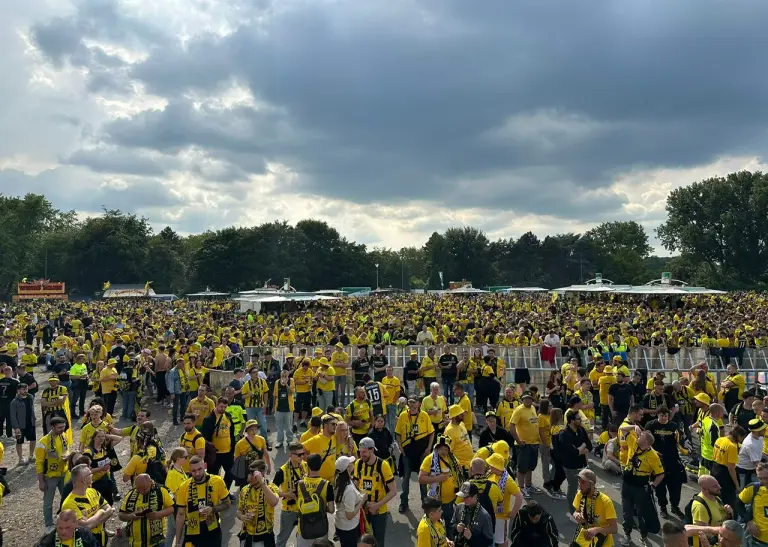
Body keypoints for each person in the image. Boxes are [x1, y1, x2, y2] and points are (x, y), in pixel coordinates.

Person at [174, 455, 231, 546]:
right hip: (192, 532)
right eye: (193, 471)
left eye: (199, 469)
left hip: (212, 530)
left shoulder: (217, 481)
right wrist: (177, 542)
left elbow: (227, 504)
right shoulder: (183, 487)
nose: (197, 473)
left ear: (205, 466)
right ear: (190, 470)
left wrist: (213, 509)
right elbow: (180, 514)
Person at [620, 431, 664, 546]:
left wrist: (653, 486)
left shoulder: (653, 456)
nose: (637, 437)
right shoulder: (634, 443)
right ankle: (627, 534)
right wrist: (634, 426)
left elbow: (660, 474)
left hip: (640, 487)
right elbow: (624, 430)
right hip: (627, 484)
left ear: (646, 442)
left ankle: (643, 536)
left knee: (641, 513)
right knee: (627, 511)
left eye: (640, 437)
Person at [353, 437, 398, 547]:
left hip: (379, 511)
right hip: (363, 509)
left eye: (364, 452)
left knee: (378, 541)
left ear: (372, 450)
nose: (361, 454)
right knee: (363, 541)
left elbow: (393, 491)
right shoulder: (358, 464)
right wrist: (363, 503)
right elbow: (355, 486)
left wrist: (376, 505)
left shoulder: (383, 465)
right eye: (360, 451)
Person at [420, 435, 464, 539]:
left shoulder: (452, 458)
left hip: (450, 500)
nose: (443, 452)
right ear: (436, 448)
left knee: (449, 525)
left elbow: (459, 474)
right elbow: (421, 478)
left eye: (445, 449)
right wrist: (437, 478)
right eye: (441, 449)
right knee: (434, 526)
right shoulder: (429, 459)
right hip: (435, 500)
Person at [645, 406, 686, 519]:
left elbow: (680, 442)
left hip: (672, 460)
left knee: (675, 487)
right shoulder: (650, 425)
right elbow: (646, 441)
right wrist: (653, 452)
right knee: (660, 488)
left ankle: (675, 506)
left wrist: (683, 446)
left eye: (666, 416)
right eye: (661, 415)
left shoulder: (673, 426)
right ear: (657, 415)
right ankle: (663, 507)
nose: (664, 418)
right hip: (657, 462)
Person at [396, 397, 435, 514]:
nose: (412, 405)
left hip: (422, 454)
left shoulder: (424, 415)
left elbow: (432, 433)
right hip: (407, 453)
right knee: (405, 479)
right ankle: (404, 503)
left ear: (419, 403)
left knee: (422, 480)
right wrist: (400, 448)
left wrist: (429, 448)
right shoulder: (403, 415)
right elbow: (397, 433)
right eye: (410, 402)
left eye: (414, 402)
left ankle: (425, 502)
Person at [61, 464, 115, 547]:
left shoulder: (92, 491)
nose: (92, 475)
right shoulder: (69, 504)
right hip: (87, 542)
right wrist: (100, 512)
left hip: (101, 537)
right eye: (90, 474)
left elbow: (109, 510)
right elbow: (86, 526)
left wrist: (92, 522)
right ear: (83, 480)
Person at [118, 473, 175, 547]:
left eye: (144, 489)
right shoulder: (130, 494)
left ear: (150, 482)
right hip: (136, 544)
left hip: (158, 542)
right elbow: (120, 515)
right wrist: (131, 516)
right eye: (138, 489)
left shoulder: (161, 491)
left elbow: (172, 508)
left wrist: (158, 514)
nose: (141, 492)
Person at [36, 416, 70, 532]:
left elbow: (67, 449)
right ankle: (48, 525)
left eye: (63, 427)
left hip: (64, 473)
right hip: (50, 476)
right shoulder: (42, 443)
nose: (62, 429)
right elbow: (39, 463)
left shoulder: (64, 436)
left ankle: (66, 519)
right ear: (52, 427)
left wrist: (68, 456)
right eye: (59, 427)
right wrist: (41, 481)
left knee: (66, 498)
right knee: (48, 502)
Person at [236, 459, 280, 547]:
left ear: (262, 474)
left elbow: (274, 502)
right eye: (249, 473)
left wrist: (262, 483)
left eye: (253, 474)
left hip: (265, 537)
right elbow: (239, 511)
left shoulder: (271, 487)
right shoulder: (245, 489)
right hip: (247, 535)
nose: (249, 477)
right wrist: (242, 517)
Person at [274, 441, 309, 547]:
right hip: (289, 510)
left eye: (303, 454)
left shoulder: (305, 465)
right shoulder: (282, 471)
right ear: (290, 454)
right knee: (282, 539)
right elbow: (272, 490)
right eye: (299, 455)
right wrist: (286, 494)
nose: (302, 457)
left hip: (304, 508)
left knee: (306, 537)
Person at [571, 469, 618, 547]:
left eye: (583, 482)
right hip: (583, 538)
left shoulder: (605, 501)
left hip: (602, 542)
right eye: (579, 481)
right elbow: (576, 511)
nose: (579, 485)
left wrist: (596, 530)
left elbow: (614, 528)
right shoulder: (580, 494)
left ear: (592, 484)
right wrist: (576, 514)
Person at [297, 453, 335, 547]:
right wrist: (319, 506)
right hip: (320, 529)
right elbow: (331, 510)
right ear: (321, 465)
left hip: (303, 528)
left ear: (308, 466)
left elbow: (298, 505)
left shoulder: (299, 484)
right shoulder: (327, 485)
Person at [558, 410, 592, 515]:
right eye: (578, 419)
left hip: (582, 464)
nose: (581, 420)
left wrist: (580, 449)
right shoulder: (564, 434)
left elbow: (589, 446)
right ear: (571, 421)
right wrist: (582, 447)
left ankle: (582, 508)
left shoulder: (581, 430)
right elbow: (573, 452)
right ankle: (573, 512)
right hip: (571, 466)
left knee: (584, 488)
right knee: (572, 488)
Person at [487, 453, 524, 547]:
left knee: (502, 541)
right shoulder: (491, 473)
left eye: (491, 465)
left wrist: (513, 513)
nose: (489, 466)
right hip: (491, 514)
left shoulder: (508, 480)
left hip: (501, 517)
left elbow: (519, 496)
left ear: (495, 467)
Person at [201, 396, 236, 492]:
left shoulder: (228, 416)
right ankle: (213, 494)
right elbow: (205, 438)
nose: (223, 409)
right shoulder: (209, 419)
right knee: (213, 477)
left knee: (231, 473)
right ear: (216, 405)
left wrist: (233, 447)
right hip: (215, 454)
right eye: (221, 407)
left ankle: (224, 492)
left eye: (225, 407)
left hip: (228, 452)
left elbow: (231, 433)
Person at [509, 392, 540, 498]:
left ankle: (529, 485)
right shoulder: (518, 410)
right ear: (522, 399)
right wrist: (518, 441)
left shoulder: (533, 408)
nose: (528, 400)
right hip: (524, 444)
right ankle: (521, 488)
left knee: (530, 466)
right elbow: (512, 427)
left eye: (530, 399)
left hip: (534, 443)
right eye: (526, 399)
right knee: (522, 467)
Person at [690, 475, 731, 547]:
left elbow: (721, 519)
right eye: (715, 486)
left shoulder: (715, 497)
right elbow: (702, 533)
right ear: (705, 489)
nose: (719, 487)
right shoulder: (700, 507)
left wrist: (730, 512)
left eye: (718, 484)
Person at [335, 455, 366, 547]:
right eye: (350, 463)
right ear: (347, 468)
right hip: (349, 528)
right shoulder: (349, 490)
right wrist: (362, 500)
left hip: (341, 524)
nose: (353, 464)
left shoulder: (339, 480)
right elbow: (349, 515)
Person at [451, 481, 495, 547]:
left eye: (467, 497)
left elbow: (489, 540)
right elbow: (451, 525)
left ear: (475, 496)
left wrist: (471, 537)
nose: (464, 499)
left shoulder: (484, 516)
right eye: (463, 496)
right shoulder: (459, 508)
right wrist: (456, 528)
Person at [712, 425, 747, 507]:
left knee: (715, 496)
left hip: (715, 469)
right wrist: (737, 485)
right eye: (742, 438)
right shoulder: (732, 447)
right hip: (725, 475)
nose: (742, 440)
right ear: (738, 436)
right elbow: (731, 468)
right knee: (728, 500)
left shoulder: (719, 439)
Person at [735, 462, 768, 547]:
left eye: (766, 478)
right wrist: (749, 521)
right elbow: (738, 503)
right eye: (760, 478)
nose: (763, 482)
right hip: (758, 541)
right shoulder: (754, 488)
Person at [164, 448, 189, 547]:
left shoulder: (179, 469)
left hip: (177, 508)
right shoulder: (172, 475)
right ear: (178, 459)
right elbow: (173, 494)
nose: (187, 459)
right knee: (181, 533)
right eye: (186, 457)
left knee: (171, 532)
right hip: (177, 509)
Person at [35, 510, 100, 547]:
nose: (63, 532)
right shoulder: (47, 542)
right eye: (60, 528)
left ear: (76, 524)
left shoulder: (85, 534)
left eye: (68, 528)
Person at [303, 414, 339, 482]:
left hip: (332, 479)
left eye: (336, 425)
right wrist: (308, 460)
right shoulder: (316, 439)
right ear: (325, 425)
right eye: (333, 424)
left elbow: (344, 431)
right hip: (319, 481)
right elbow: (300, 448)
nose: (335, 426)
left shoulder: (334, 437)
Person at [235, 419, 272, 484]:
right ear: (247, 431)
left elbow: (266, 454)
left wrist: (269, 466)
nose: (254, 431)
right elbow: (236, 459)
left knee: (261, 487)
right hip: (246, 470)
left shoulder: (261, 439)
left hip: (259, 468)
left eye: (256, 429)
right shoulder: (239, 444)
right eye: (252, 429)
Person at [10, 381, 36, 465]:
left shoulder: (30, 397)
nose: (25, 391)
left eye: (27, 389)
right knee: (19, 442)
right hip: (20, 426)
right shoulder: (14, 402)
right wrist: (16, 427)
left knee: (33, 440)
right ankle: (20, 458)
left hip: (31, 424)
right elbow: (13, 416)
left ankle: (31, 456)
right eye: (23, 389)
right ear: (18, 391)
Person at [737, 418, 766, 487]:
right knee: (745, 489)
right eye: (763, 429)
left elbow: (760, 452)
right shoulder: (750, 444)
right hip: (744, 470)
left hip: (752, 467)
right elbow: (757, 464)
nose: (765, 430)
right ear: (757, 431)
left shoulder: (759, 437)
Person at [445, 405, 474, 470]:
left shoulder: (461, 424)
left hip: (470, 463)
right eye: (460, 414)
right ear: (455, 416)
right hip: (461, 466)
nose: (463, 414)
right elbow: (449, 452)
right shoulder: (449, 431)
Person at [166, 358, 189, 426]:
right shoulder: (172, 372)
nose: (183, 365)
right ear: (178, 363)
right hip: (176, 391)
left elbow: (185, 379)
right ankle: (174, 420)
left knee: (183, 404)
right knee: (175, 406)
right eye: (182, 364)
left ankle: (182, 417)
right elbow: (170, 383)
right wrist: (172, 392)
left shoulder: (182, 369)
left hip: (183, 390)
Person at [381, 365, 401, 434]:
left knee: (392, 423)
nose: (388, 372)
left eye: (390, 370)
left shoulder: (396, 380)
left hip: (392, 404)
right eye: (387, 370)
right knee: (385, 422)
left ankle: (392, 439)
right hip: (385, 404)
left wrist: (394, 402)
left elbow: (398, 392)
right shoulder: (383, 379)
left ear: (392, 371)